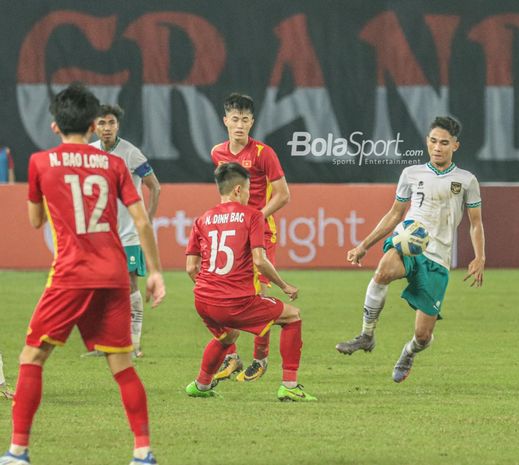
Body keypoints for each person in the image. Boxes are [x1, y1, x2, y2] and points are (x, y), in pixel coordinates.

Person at [0, 83, 166, 465]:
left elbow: (34, 220)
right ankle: (142, 452)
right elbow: (141, 220)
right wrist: (155, 271)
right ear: (93, 125)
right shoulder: (114, 164)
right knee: (122, 366)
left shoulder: (40, 163)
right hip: (112, 272)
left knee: (32, 357)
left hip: (70, 274)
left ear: (54, 126)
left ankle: (18, 451)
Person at [335, 116, 485, 383]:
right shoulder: (411, 174)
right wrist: (363, 246)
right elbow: (394, 215)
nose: (437, 147)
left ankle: (408, 352)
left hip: (438, 259)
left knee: (423, 336)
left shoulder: (466, 180)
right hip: (408, 243)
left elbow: (476, 223)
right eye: (433, 141)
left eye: (444, 143)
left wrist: (479, 256)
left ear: (455, 146)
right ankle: (366, 335)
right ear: (427, 142)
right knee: (382, 271)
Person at [184, 162, 315, 402]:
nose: (249, 195)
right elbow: (260, 261)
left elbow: (190, 267)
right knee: (292, 316)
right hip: (236, 302)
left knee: (227, 336)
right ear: (236, 190)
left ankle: (201, 385)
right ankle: (289, 385)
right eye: (248, 190)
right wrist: (285, 286)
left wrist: (210, 288)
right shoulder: (253, 215)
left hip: (203, 300)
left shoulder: (202, 219)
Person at [209, 93, 290, 383]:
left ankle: (260, 359)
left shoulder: (263, 154)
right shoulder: (217, 153)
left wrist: (255, 217)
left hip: (261, 233)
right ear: (225, 121)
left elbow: (283, 195)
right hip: (232, 234)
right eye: (235, 119)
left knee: (260, 296)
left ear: (252, 122)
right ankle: (231, 356)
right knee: (221, 294)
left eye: (245, 119)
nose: (240, 124)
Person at [87, 104, 161, 358]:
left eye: (111, 123)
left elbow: (155, 186)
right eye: (102, 123)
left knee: (129, 285)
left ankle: (135, 343)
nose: (106, 128)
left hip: (128, 234)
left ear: (118, 125)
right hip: (101, 234)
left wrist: (147, 219)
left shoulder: (131, 154)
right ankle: (106, 343)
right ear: (94, 126)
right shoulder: (89, 153)